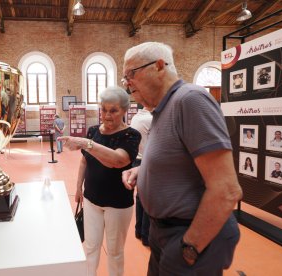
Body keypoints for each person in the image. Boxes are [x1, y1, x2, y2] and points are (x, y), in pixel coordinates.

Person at [121, 42, 243, 275]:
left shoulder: (190, 100)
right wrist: (143, 171)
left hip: (188, 234)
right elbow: (176, 158)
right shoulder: (163, 108)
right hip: (164, 233)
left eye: (131, 74)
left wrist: (190, 247)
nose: (127, 84)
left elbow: (227, 189)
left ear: (159, 66)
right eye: (124, 78)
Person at [58, 86, 141, 276]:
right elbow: (84, 160)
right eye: (103, 109)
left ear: (124, 110)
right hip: (91, 199)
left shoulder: (131, 135)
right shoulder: (93, 130)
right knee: (90, 247)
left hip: (118, 203)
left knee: (114, 252)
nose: (107, 115)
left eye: (113, 110)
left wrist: (87, 144)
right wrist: (78, 187)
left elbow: (118, 161)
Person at [130, 103, 152, 247]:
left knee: (140, 197)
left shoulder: (135, 117)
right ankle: (146, 236)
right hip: (146, 161)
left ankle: (139, 230)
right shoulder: (151, 119)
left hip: (136, 160)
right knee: (148, 199)